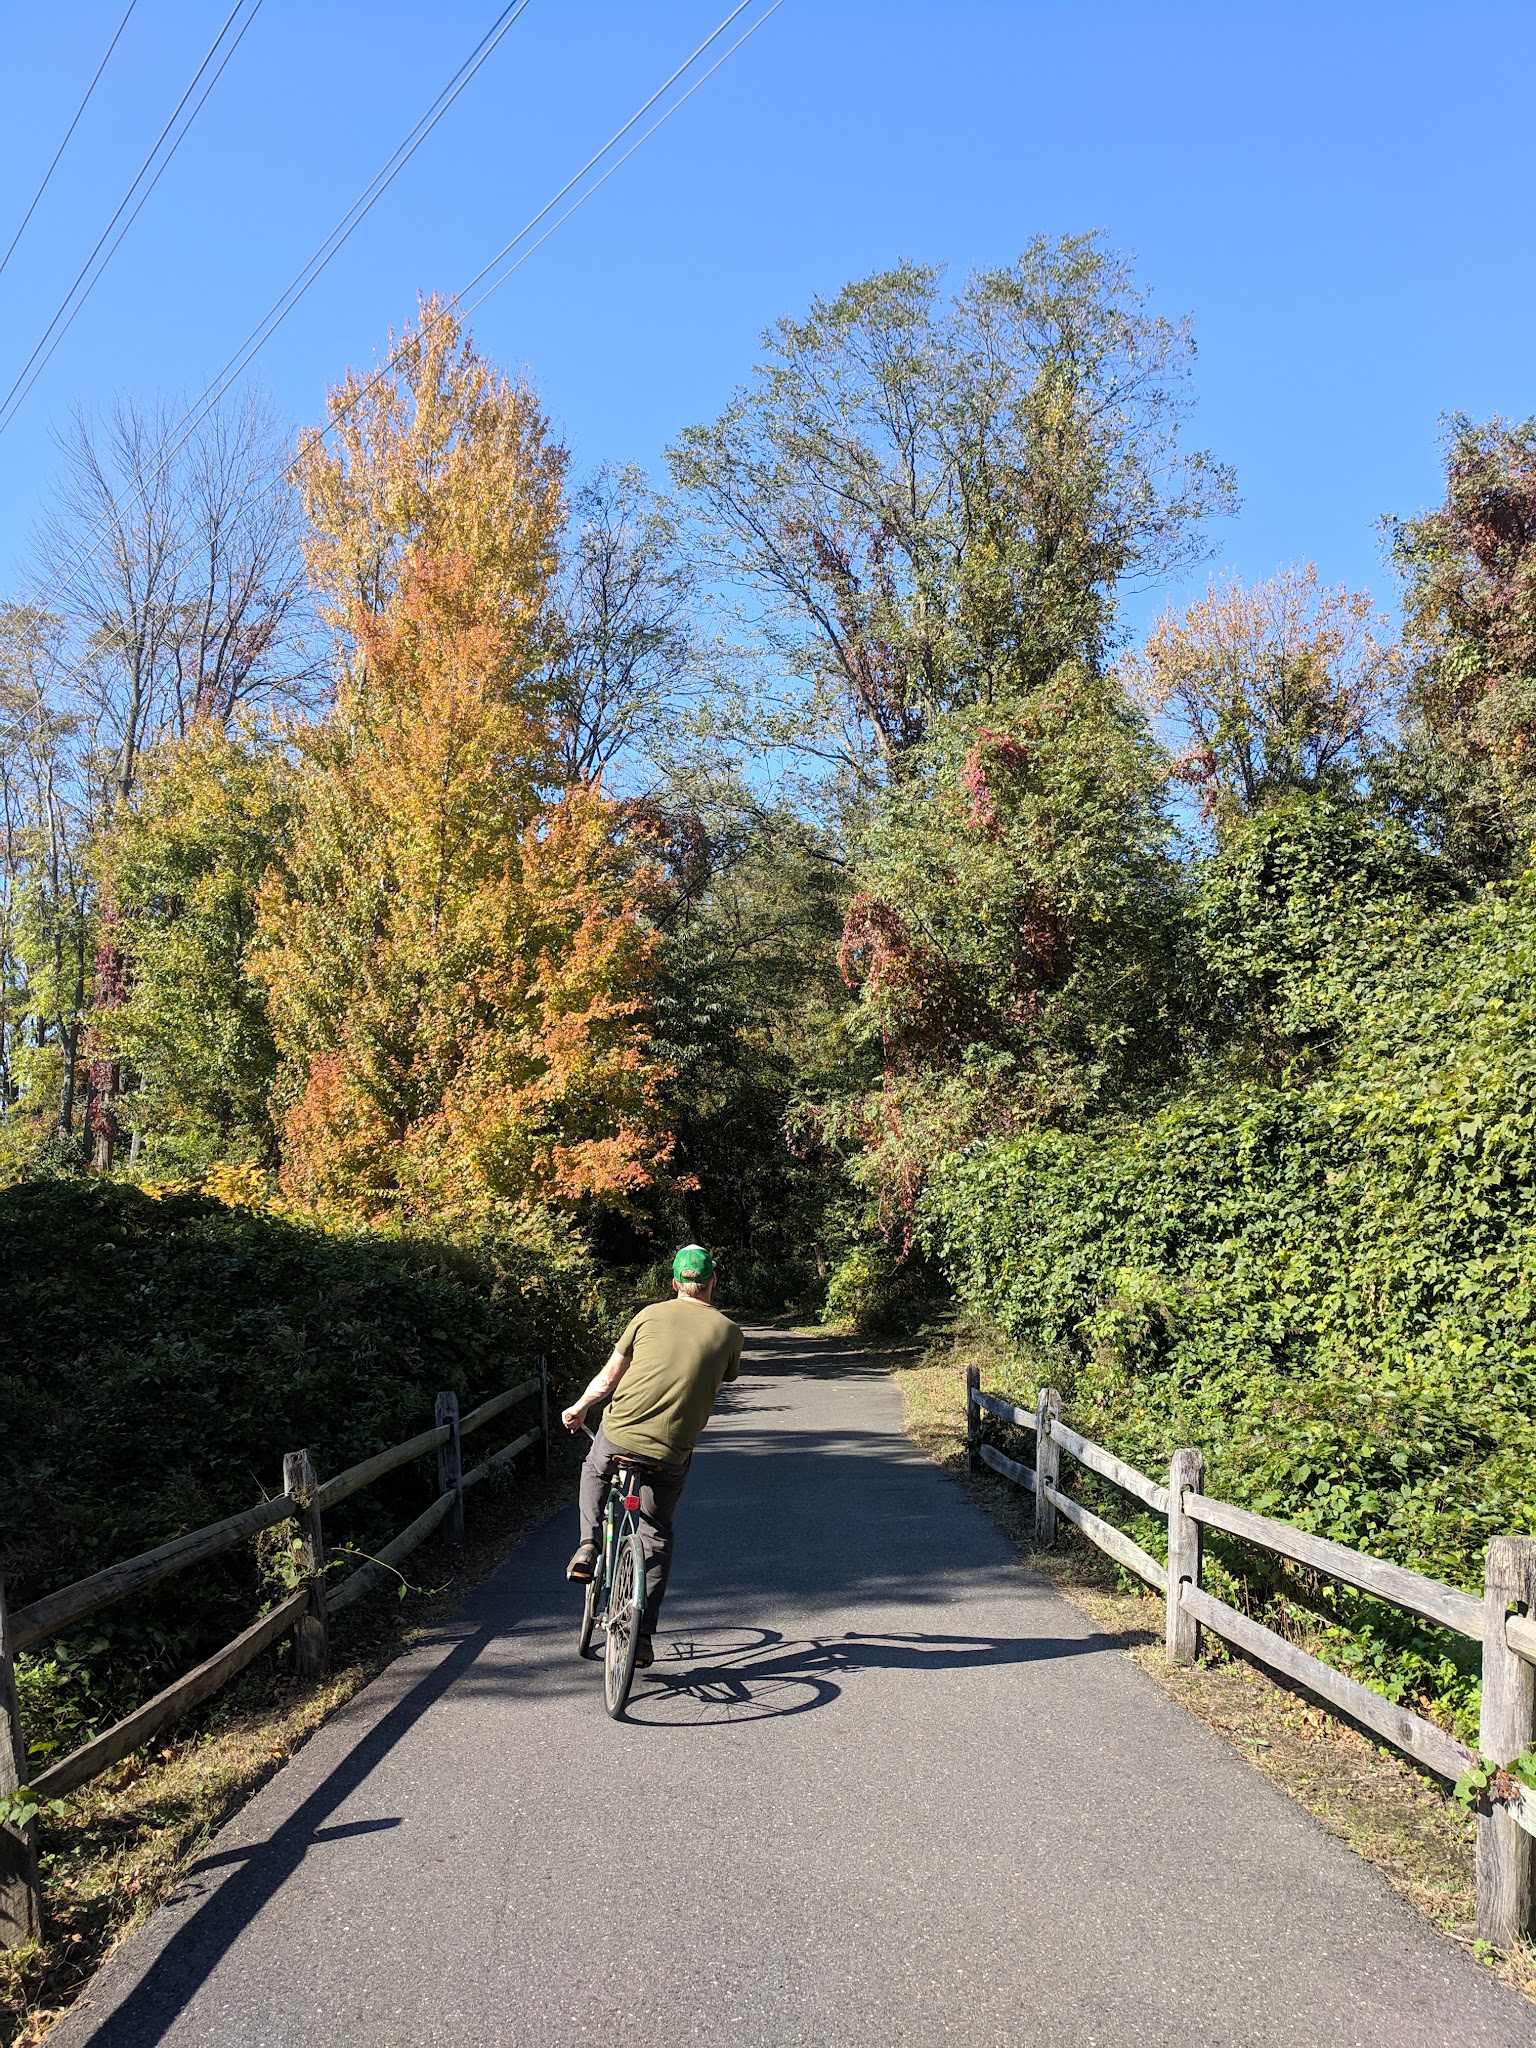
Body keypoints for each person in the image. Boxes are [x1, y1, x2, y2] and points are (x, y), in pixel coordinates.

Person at [563, 1243, 742, 1666]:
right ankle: (641, 1640)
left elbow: (609, 1377)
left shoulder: (646, 1316)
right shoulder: (730, 1332)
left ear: (675, 1282)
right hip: (672, 1448)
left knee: (594, 1469)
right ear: (713, 1281)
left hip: (621, 1431)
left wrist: (580, 1408)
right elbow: (714, 1388)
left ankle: (588, 1545)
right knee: (656, 1532)